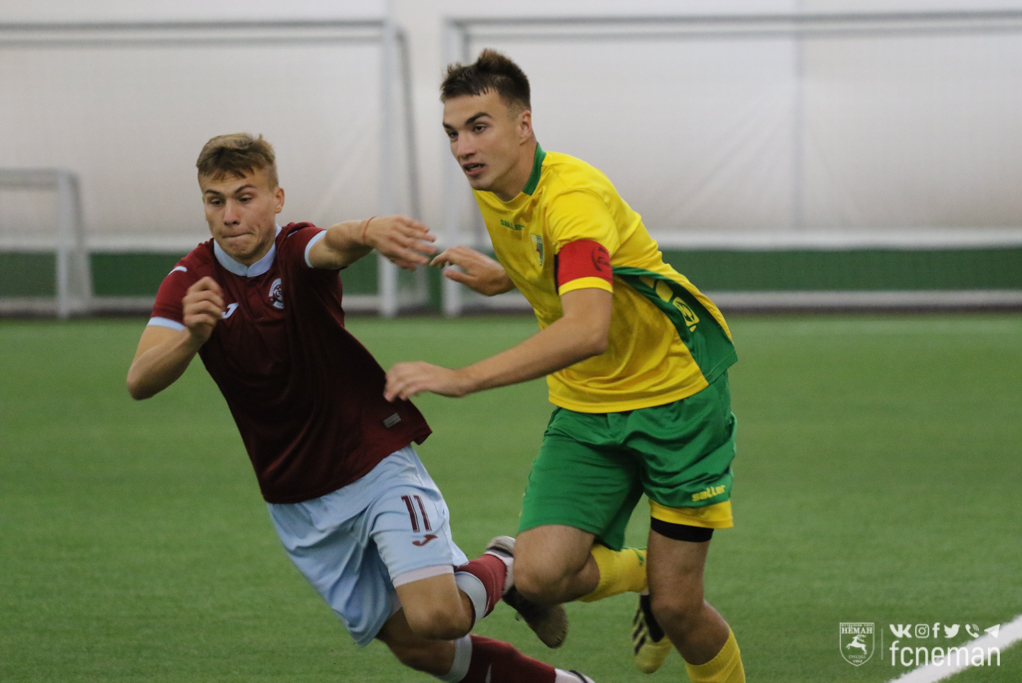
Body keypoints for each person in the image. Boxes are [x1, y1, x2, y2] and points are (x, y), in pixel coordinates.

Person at [126, 132, 594, 683]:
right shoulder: (190, 280)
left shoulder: (294, 248)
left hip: (372, 462)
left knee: (437, 616)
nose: (230, 214)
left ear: (276, 199)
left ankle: (508, 564)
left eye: (245, 197)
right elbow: (140, 380)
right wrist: (191, 337)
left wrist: (370, 230)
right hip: (295, 497)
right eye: (216, 200)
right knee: (420, 649)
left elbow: (332, 244)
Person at [385, 50, 746, 683]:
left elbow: (586, 328)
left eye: (479, 126)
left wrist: (463, 378)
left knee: (679, 608)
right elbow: (556, 262)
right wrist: (504, 278)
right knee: (537, 576)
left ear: (524, 124)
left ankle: (663, 593)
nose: (464, 147)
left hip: (677, 403)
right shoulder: (498, 186)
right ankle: (647, 575)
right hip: (587, 408)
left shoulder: (572, 197)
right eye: (453, 133)